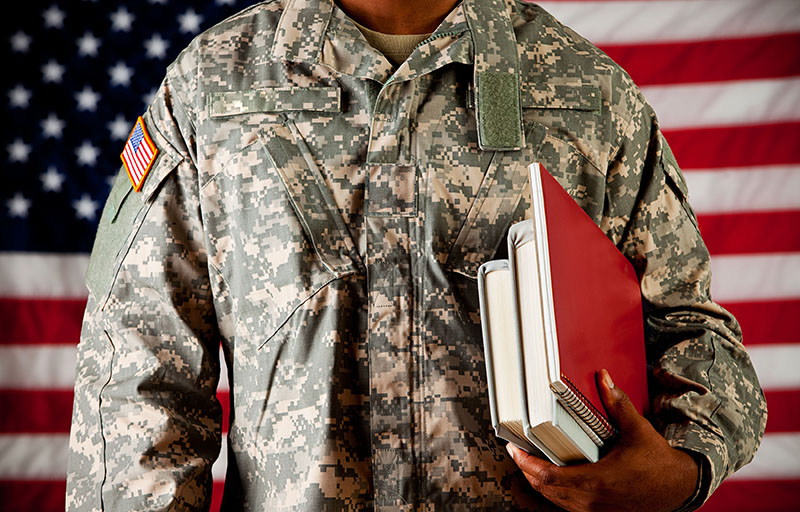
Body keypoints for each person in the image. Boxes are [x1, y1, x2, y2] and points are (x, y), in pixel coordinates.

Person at [66, 0, 767, 510]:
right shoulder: (213, 91)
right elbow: (137, 373)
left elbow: (690, 332)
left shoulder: (591, 96)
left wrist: (682, 470)